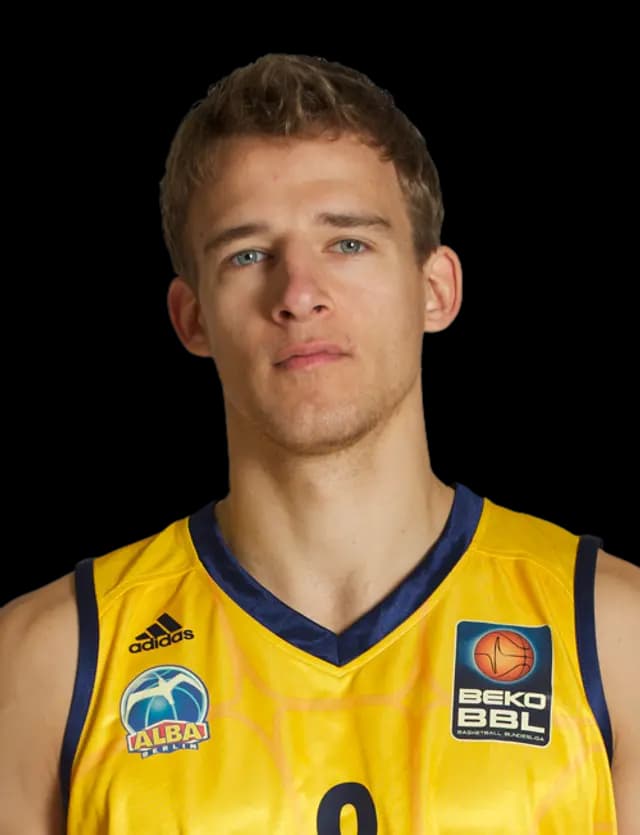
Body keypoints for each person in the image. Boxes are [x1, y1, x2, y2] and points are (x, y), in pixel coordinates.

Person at [0, 52, 638, 835]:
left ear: (436, 289)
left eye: (348, 243)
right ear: (192, 317)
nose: (299, 293)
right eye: (247, 254)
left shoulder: (614, 637)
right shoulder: (51, 660)